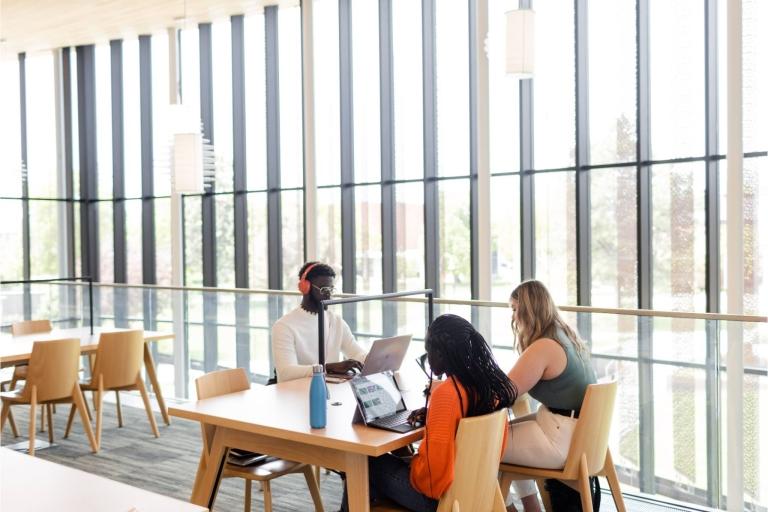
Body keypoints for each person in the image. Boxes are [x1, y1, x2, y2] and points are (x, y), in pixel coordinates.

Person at [341, 314, 517, 512]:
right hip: (472, 492)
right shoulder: (487, 388)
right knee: (387, 466)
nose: (428, 359)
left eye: (428, 351)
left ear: (441, 354)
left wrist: (411, 460)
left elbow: (432, 482)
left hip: (437, 501)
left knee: (362, 461)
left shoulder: (447, 394)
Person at [503, 280, 597, 512]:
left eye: (515, 309)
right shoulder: (564, 334)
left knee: (483, 444)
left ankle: (516, 508)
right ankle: (531, 507)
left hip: (561, 438)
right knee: (501, 435)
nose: (514, 318)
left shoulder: (544, 346)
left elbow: (503, 393)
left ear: (528, 309)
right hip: (580, 435)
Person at [271, 262, 368, 382]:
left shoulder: (336, 321)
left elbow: (357, 353)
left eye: (331, 289)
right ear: (305, 288)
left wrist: (374, 359)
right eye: (324, 289)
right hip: (298, 392)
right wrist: (328, 368)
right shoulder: (284, 326)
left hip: (332, 389)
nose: (328, 296)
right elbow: (286, 373)